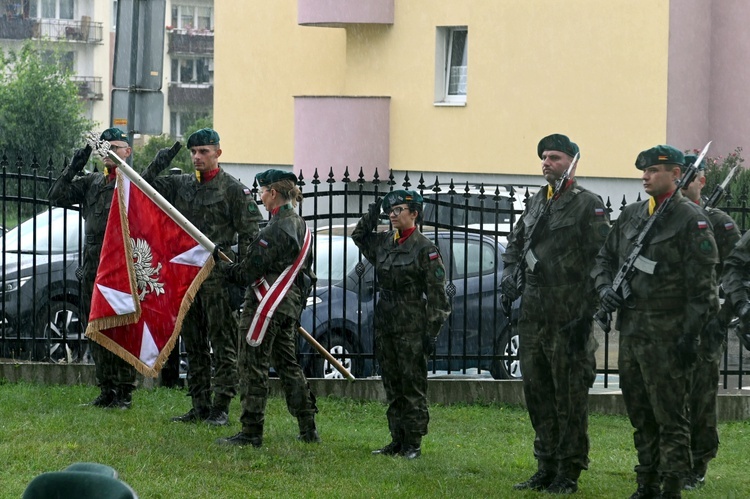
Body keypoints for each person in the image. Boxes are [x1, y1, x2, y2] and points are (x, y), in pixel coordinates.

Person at [592, 145, 719, 499]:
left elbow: (703, 289)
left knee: (671, 418)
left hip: (669, 334)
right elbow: (604, 257)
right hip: (632, 332)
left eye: (653, 170)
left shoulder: (690, 219)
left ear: (676, 174)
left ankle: (672, 486)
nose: (645, 176)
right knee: (640, 414)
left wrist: (690, 338)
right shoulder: (632, 215)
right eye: (643, 171)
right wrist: (604, 288)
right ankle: (646, 482)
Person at [501, 134, 610, 494]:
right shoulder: (537, 201)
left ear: (573, 161)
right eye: (544, 157)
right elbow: (516, 243)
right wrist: (507, 276)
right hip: (534, 315)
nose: (547, 163)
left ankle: (569, 471)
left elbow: (601, 260)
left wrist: (590, 312)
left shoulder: (588, 205)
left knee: (568, 399)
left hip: (569, 317)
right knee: (538, 393)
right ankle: (545, 465)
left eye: (556, 157)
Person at [141, 128, 262, 426]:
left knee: (222, 344)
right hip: (186, 277)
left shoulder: (233, 189)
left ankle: (220, 406)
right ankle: (199, 404)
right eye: (193, 152)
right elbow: (143, 186)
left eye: (204, 152)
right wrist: (159, 161)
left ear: (218, 153)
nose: (197, 157)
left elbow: (251, 233)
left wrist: (240, 273)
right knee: (193, 342)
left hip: (218, 278)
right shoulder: (182, 184)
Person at [215, 169, 319, 447]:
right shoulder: (301, 226)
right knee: (289, 367)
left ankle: (251, 432)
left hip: (266, 307)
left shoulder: (274, 230)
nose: (260, 197)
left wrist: (224, 268)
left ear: (273, 193)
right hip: (288, 307)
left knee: (252, 365)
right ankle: (308, 426)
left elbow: (249, 271)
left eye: (262, 192)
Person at [351, 189, 451, 460]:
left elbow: (438, 296)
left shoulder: (425, 249)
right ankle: (396, 439)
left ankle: (413, 443)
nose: (392, 215)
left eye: (398, 211)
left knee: (412, 385)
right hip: (386, 321)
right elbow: (358, 236)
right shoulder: (385, 242)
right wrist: (373, 211)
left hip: (411, 325)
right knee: (392, 383)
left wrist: (431, 332)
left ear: (414, 214)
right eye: (390, 211)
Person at [48, 128, 140, 409]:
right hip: (93, 269)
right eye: (106, 147)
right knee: (96, 328)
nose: (111, 152)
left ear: (128, 152)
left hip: (121, 269)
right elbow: (57, 195)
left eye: (118, 147)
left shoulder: (133, 184)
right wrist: (81, 157)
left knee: (120, 328)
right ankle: (106, 389)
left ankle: (124, 391)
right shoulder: (92, 182)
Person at [680, 153, 741, 490]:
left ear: (701, 181)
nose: (683, 182)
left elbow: (736, 274)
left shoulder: (718, 221)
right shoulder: (664, 219)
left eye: (691, 176)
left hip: (704, 324)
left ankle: (697, 463)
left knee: (699, 397)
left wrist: (724, 319)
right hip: (667, 323)